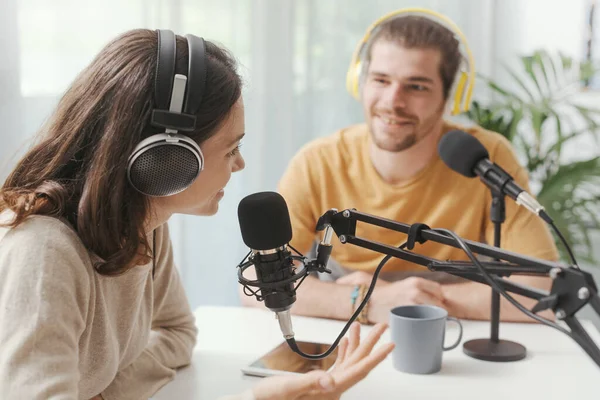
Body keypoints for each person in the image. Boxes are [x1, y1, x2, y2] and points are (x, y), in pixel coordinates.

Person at [0, 29, 394, 400]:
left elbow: (177, 333)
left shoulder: (144, 224)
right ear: (167, 160)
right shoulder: (44, 252)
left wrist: (102, 393)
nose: (239, 164)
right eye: (229, 149)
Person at [241, 9, 558, 325]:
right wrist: (364, 301)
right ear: (359, 82)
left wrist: (410, 301)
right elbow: (258, 281)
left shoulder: (486, 158)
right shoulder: (318, 162)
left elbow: (541, 287)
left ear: (451, 98)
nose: (393, 101)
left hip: (449, 339)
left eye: (416, 86)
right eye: (380, 80)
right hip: (343, 343)